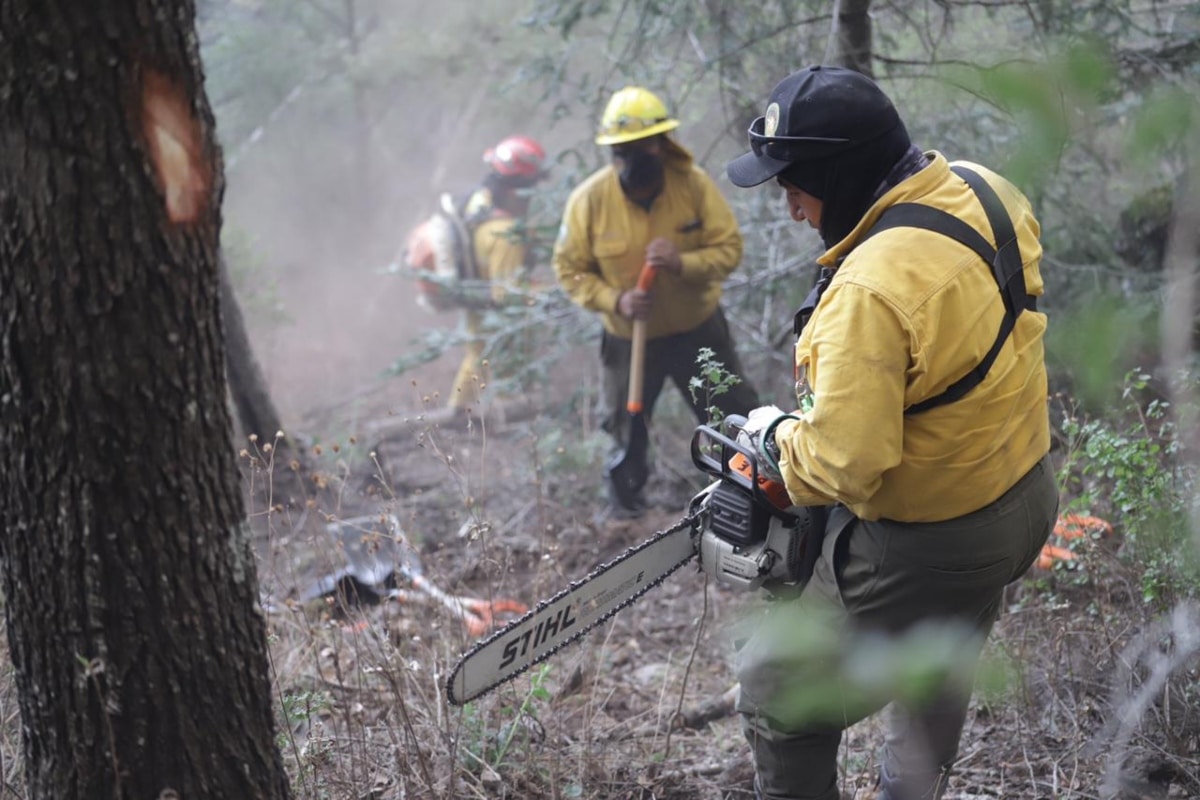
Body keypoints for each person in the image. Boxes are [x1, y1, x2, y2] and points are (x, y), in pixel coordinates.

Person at [723, 66, 1059, 799]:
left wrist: (777, 437)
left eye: (795, 189)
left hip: (934, 535)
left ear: (837, 178)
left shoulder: (870, 290)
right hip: (1025, 493)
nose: (792, 210)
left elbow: (845, 465)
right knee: (940, 658)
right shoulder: (983, 188)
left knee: (776, 687)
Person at [552, 86, 759, 514]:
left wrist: (683, 263)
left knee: (731, 416)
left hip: (697, 331)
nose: (629, 158)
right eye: (620, 150)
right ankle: (627, 507)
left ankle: (748, 495)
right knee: (626, 427)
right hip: (629, 341)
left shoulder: (694, 187)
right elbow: (569, 269)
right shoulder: (588, 202)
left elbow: (729, 250)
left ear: (662, 144)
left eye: (639, 146)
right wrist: (615, 300)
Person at [448, 135, 548, 415]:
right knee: (500, 361)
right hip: (495, 314)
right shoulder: (507, 235)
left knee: (476, 356)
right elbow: (509, 295)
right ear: (518, 191)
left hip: (476, 299)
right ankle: (508, 417)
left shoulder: (479, 207)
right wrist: (551, 292)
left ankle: (456, 414)